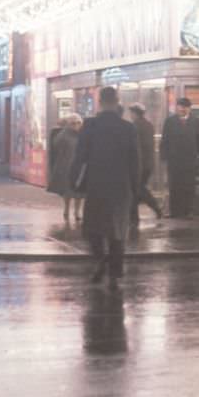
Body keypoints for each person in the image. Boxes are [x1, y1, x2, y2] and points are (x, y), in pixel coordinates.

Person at [70, 87, 139, 289]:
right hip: (121, 185)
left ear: (99, 101)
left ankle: (100, 260)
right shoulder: (127, 128)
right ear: (117, 101)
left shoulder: (90, 126)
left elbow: (79, 156)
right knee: (117, 230)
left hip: (97, 183)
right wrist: (136, 187)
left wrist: (73, 180)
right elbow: (135, 160)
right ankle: (115, 272)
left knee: (93, 227)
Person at [160, 97, 199, 218]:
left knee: (189, 186)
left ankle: (189, 210)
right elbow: (165, 140)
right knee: (174, 186)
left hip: (190, 160)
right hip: (174, 160)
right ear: (177, 107)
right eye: (180, 106)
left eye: (185, 107)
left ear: (189, 109)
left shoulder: (196, 122)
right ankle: (175, 211)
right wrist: (164, 157)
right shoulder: (169, 121)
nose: (182, 109)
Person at [129, 103, 162, 227]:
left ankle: (155, 207)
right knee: (136, 190)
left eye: (132, 113)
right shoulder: (148, 125)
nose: (130, 115)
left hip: (139, 164)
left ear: (135, 113)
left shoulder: (135, 126)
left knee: (138, 189)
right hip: (148, 163)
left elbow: (136, 147)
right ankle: (133, 216)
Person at [47, 114, 84, 226]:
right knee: (67, 190)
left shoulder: (83, 135)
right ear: (69, 124)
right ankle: (66, 209)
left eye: (78, 123)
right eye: (73, 123)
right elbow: (56, 145)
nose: (76, 125)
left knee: (80, 191)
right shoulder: (63, 135)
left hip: (79, 165)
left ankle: (77, 211)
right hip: (66, 165)